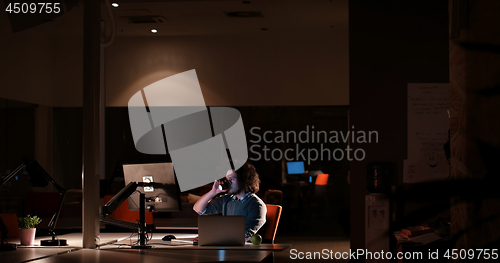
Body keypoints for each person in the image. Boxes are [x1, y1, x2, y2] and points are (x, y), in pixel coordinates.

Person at [193, 162, 267, 241]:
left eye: (231, 179)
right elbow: (198, 209)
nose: (228, 183)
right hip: (227, 245)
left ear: (244, 181)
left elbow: (245, 235)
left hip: (245, 250)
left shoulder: (256, 205)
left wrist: (212, 238)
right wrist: (213, 192)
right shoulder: (228, 200)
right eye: (227, 180)